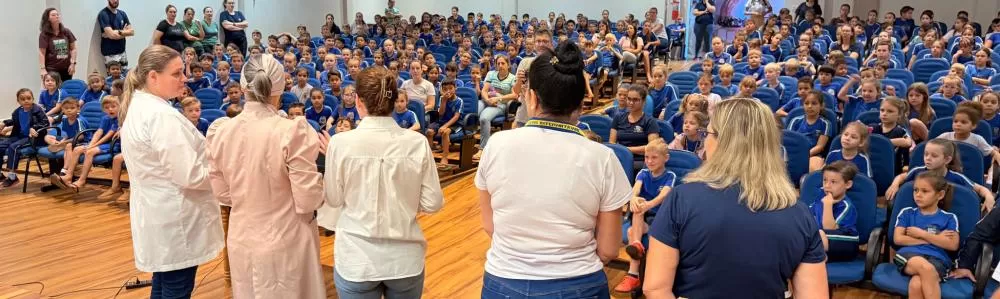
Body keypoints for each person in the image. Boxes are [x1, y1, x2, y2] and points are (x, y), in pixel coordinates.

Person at [478, 41, 630, 299]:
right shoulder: (603, 157)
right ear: (581, 104)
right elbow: (608, 250)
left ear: (532, 98)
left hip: (504, 282)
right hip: (578, 283)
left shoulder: (496, 145)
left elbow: (490, 226)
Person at [643, 98, 828, 298]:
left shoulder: (681, 199)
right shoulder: (799, 213)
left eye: (708, 133)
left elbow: (655, 288)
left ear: (723, 141)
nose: (705, 140)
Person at [205, 53, 325, 298]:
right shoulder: (292, 131)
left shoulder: (220, 130)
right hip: (287, 238)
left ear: (242, 85)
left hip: (243, 238)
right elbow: (307, 200)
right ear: (280, 87)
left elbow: (223, 195)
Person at [320, 66, 443, 298]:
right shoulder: (417, 143)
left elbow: (334, 199)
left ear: (358, 101)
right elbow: (433, 203)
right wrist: (401, 199)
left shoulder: (339, 143)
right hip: (404, 259)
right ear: (394, 101)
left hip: (357, 259)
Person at [118, 45, 224, 299]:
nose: (184, 78)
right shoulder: (161, 115)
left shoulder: (139, 106)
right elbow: (189, 174)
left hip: (159, 212)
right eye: (177, 73)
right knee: (176, 288)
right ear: (153, 77)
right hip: (176, 217)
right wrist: (224, 168)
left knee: (164, 284)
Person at [0, 89, 49, 188]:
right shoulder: (17, 111)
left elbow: (45, 123)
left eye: (28, 98)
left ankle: (12, 177)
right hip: (19, 135)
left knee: (14, 147)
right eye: (23, 99)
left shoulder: (37, 110)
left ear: (33, 99)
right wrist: (4, 123)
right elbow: (13, 121)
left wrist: (34, 128)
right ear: (18, 101)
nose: (26, 101)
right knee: (1, 145)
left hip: (31, 138)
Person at [38, 8, 77, 80]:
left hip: (66, 68)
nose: (57, 16)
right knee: (53, 88)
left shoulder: (66, 31)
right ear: (48, 18)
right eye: (53, 15)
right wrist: (42, 69)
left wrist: (73, 64)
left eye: (57, 14)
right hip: (52, 69)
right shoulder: (44, 34)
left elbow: (73, 49)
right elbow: (42, 53)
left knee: (65, 89)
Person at [97, 0, 133, 69]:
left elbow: (132, 32)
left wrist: (117, 33)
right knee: (114, 79)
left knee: (125, 77)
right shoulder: (104, 14)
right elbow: (112, 35)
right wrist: (124, 32)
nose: (115, 1)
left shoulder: (122, 13)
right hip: (110, 54)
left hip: (122, 52)